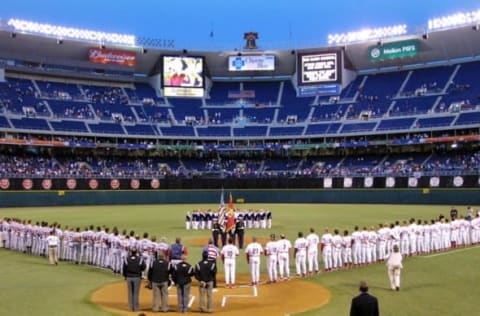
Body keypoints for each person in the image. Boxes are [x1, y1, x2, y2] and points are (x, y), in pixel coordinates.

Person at [122, 247, 146, 312]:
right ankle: (135, 308)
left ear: (131, 252)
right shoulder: (140, 259)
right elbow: (144, 267)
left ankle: (130, 307)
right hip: (137, 277)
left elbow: (124, 268)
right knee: (136, 293)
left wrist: (125, 276)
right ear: (136, 252)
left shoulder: (127, 259)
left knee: (130, 292)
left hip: (129, 277)